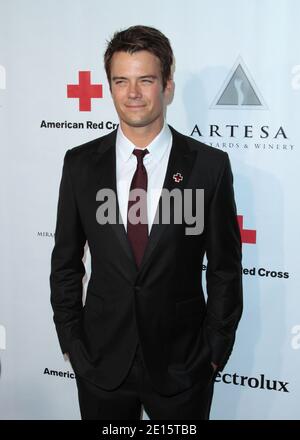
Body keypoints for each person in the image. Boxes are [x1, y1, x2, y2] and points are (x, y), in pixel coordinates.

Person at [50, 25, 243, 420]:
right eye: (121, 81)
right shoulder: (80, 163)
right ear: (110, 87)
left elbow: (225, 268)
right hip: (100, 364)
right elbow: (66, 262)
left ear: (167, 86)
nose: (133, 93)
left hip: (183, 365)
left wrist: (213, 351)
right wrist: (71, 340)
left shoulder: (208, 166)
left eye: (146, 80)